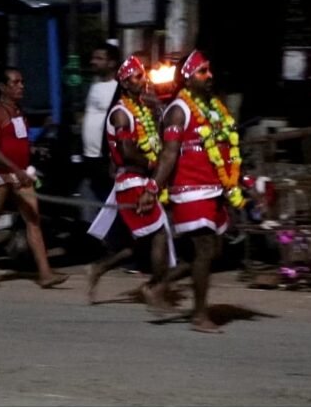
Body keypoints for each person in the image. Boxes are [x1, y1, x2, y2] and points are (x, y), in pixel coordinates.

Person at [137, 49, 248, 333]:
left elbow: (225, 149)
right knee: (205, 249)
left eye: (209, 70)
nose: (209, 76)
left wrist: (236, 182)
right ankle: (199, 316)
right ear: (187, 78)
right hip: (190, 191)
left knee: (211, 251)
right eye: (202, 72)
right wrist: (152, 188)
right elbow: (168, 156)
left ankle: (158, 285)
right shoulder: (179, 110)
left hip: (213, 190)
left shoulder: (212, 107)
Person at [86, 55, 176, 311]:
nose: (143, 80)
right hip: (132, 182)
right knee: (159, 233)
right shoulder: (121, 114)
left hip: (141, 179)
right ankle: (154, 289)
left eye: (142, 75)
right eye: (136, 77)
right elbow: (127, 151)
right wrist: (153, 164)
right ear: (125, 83)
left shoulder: (141, 109)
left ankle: (98, 268)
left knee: (138, 244)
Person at [0, 66, 69, 289]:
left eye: (21, 82)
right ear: (2, 87)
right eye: (15, 83)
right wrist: (16, 171)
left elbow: (19, 141)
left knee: (33, 221)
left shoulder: (18, 111)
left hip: (20, 173)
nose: (21, 86)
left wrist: (33, 151)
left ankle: (45, 274)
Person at [79, 41, 120, 216]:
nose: (93, 62)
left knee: (109, 201)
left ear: (111, 63)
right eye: (93, 58)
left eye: (99, 58)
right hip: (89, 156)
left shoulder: (119, 88)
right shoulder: (93, 85)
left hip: (106, 157)